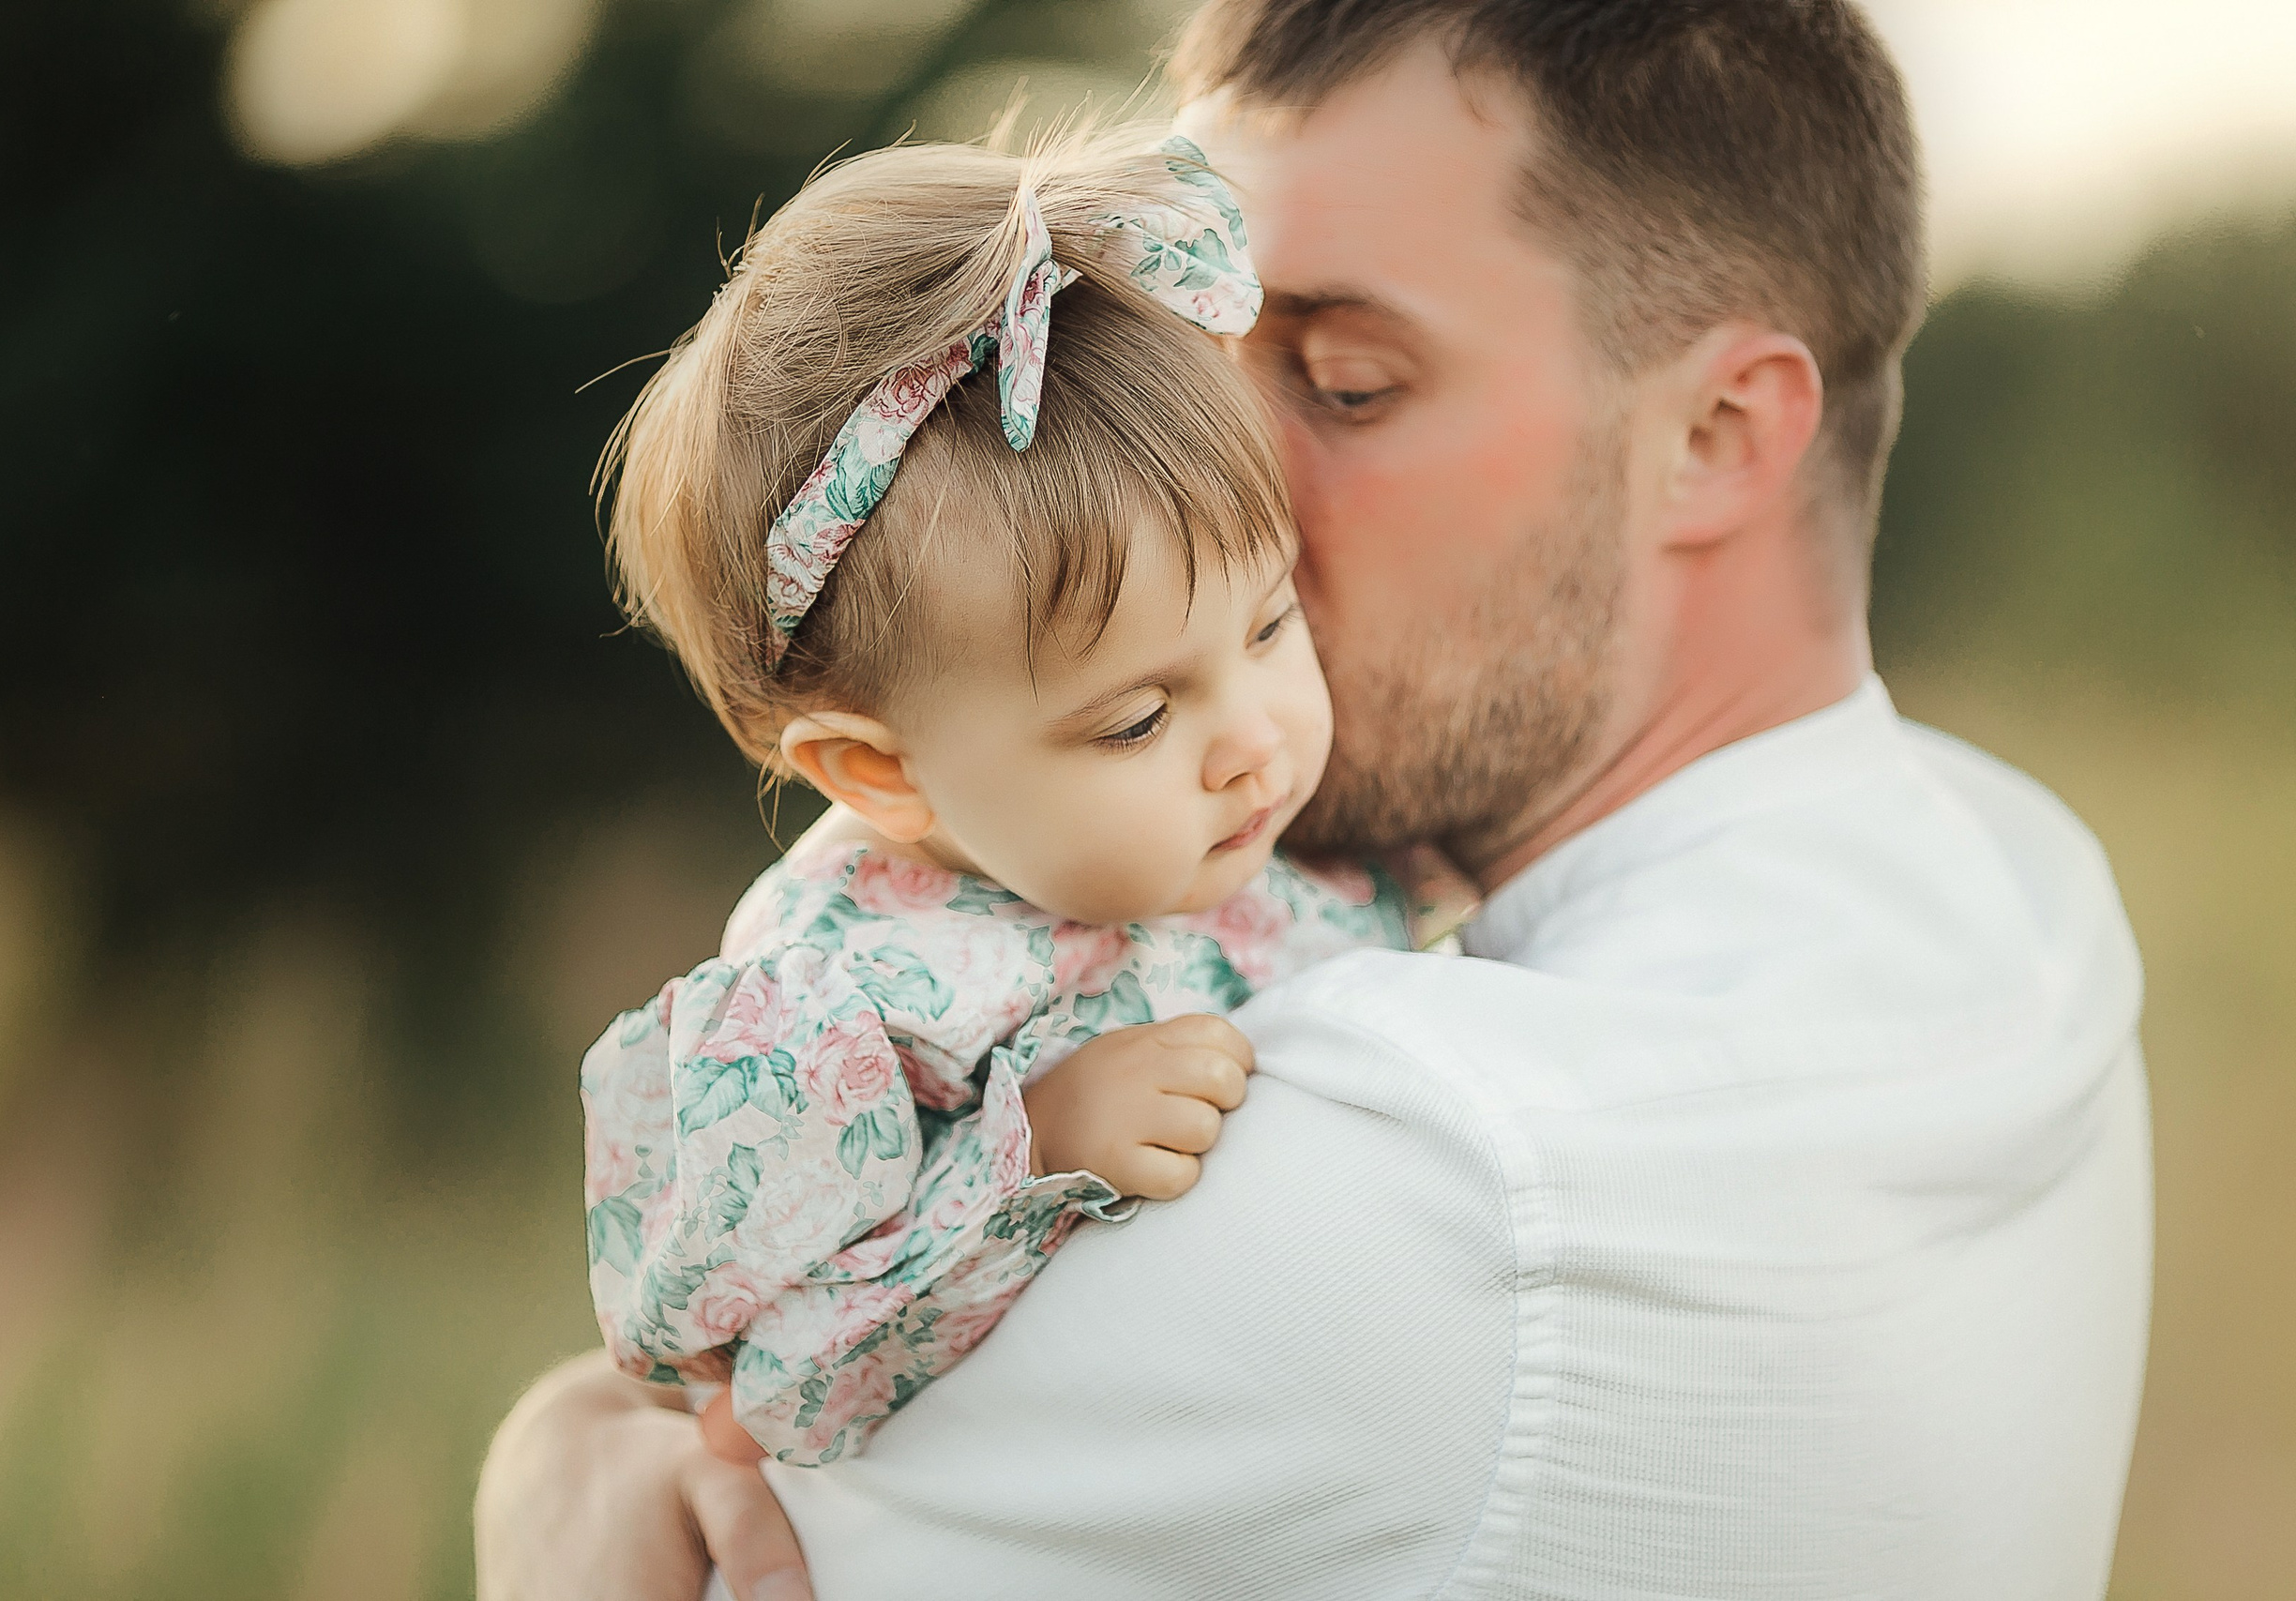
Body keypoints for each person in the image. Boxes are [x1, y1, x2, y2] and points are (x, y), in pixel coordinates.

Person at [477, 3, 2152, 1597]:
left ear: (1719, 432)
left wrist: (563, 1461)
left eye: (1347, 381)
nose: (1218, 480)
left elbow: (713, 1500)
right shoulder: (2019, 871)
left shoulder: (1390, 1184)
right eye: (1191, 352)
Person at [578, 128, 1417, 1472]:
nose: (1253, 739)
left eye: (1270, 625)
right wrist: (1028, 1158)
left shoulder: (1255, 824)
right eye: (1139, 717)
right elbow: (774, 1395)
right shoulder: (854, 1011)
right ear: (882, 774)